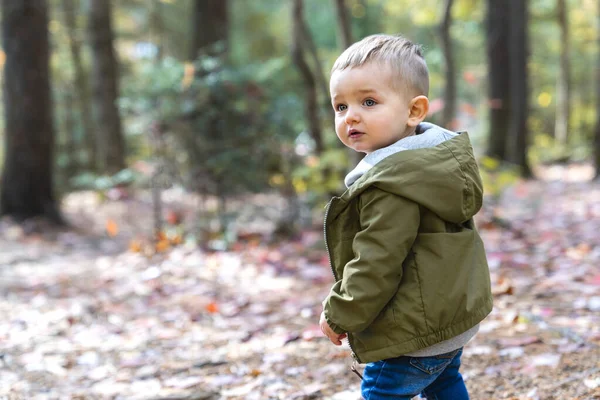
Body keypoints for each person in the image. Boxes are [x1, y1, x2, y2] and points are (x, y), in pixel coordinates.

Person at [319, 34, 493, 399]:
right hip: (450, 318)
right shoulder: (435, 165)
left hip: (413, 331)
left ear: (414, 111)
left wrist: (340, 313)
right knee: (444, 381)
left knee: (382, 392)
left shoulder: (391, 185)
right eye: (340, 106)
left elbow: (376, 261)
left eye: (368, 101)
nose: (351, 115)